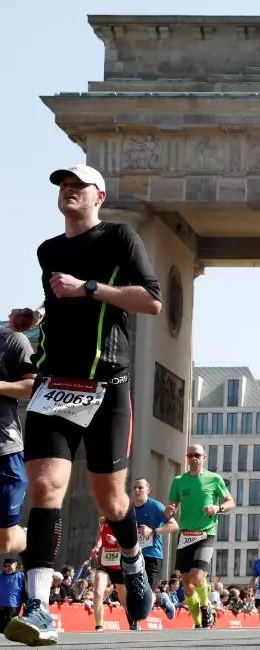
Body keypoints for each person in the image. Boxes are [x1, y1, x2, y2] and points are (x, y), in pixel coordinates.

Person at [5, 164, 163, 647]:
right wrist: (34, 316)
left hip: (106, 385)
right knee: (44, 487)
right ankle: (37, 605)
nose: (68, 191)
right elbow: (58, 302)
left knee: (110, 500)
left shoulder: (120, 238)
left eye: (78, 186)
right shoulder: (48, 250)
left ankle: (132, 561)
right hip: (55, 383)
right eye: (63, 186)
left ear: (100, 195)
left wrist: (89, 288)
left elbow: (152, 301)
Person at [168, 443, 235, 629]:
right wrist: (170, 509)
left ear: (204, 457)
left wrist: (218, 508)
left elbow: (230, 502)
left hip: (205, 533)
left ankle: (206, 606)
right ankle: (199, 623)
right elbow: (172, 504)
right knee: (187, 584)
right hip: (185, 535)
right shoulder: (179, 481)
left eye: (197, 455)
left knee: (197, 576)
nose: (193, 458)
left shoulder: (214, 479)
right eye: (190, 455)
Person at [0, 325, 34, 557]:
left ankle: (31, 544)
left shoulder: (12, 339)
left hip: (5, 449)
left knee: (6, 540)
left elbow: (33, 386)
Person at [132, 478, 176, 599]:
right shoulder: (129, 509)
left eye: (140, 487)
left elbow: (174, 526)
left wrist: (153, 532)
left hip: (152, 556)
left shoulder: (155, 506)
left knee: (147, 595)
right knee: (134, 595)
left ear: (148, 490)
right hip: (134, 556)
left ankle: (156, 601)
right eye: (134, 488)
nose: (136, 490)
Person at [90, 516, 132, 630]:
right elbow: (101, 537)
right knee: (98, 593)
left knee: (123, 600)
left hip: (119, 565)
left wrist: (116, 541)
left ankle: (133, 623)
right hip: (104, 563)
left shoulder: (125, 520)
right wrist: (97, 547)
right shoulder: (103, 520)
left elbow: (131, 542)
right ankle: (99, 626)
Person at [0, 560, 23, 630]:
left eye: (9, 566)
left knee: (10, 626)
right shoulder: (0, 575)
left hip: (13, 605)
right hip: (1, 605)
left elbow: (26, 590)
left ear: (15, 566)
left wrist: (26, 601)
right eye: (5, 566)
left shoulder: (21, 576)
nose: (7, 568)